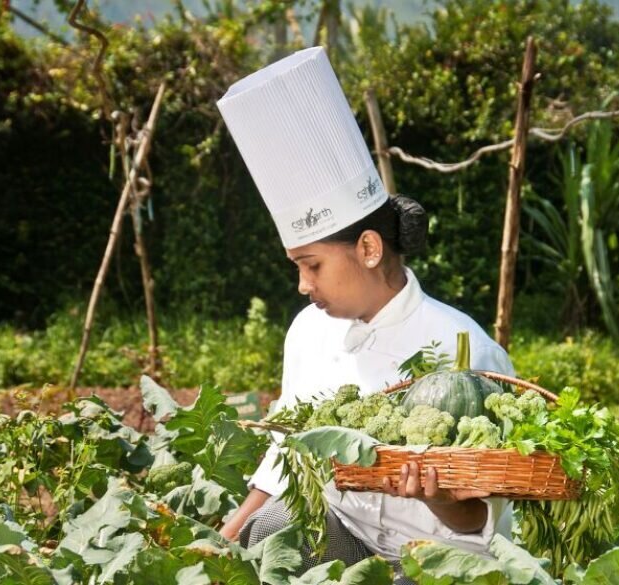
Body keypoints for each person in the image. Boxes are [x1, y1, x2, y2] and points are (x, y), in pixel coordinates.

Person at [215, 46, 514, 582]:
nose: (303, 286)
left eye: (312, 266)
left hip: (445, 561)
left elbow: (482, 521)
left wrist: (442, 499)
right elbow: (287, 451)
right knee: (273, 527)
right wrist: (227, 536)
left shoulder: (466, 351)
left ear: (369, 249)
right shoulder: (307, 331)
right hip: (349, 535)